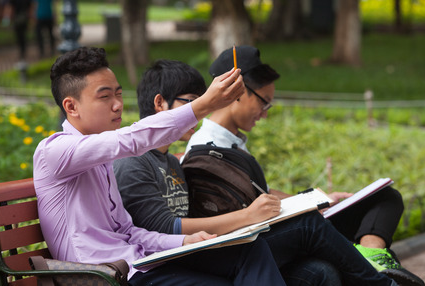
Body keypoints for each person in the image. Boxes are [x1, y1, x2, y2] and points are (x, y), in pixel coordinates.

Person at [114, 59, 399, 286]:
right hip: (174, 259)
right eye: (191, 102)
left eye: (202, 103)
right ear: (160, 103)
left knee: (319, 271)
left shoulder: (172, 162)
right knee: (304, 227)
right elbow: (162, 227)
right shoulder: (134, 161)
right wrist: (248, 216)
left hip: (207, 247)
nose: (199, 112)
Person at [33, 46, 287, 285]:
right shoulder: (55, 151)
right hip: (105, 276)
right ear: (71, 106)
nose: (117, 104)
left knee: (252, 251)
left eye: (119, 94)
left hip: (140, 265)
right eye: (105, 96)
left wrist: (184, 240)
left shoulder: (101, 159)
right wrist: (204, 104)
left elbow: (128, 232)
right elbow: (131, 140)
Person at [184, 45, 424, 286]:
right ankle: (376, 274)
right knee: (320, 260)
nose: (265, 114)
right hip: (256, 238)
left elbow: (261, 192)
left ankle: (371, 255)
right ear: (237, 91)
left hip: (280, 223)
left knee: (384, 197)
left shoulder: (233, 140)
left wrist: (316, 200)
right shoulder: (206, 148)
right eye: (264, 103)